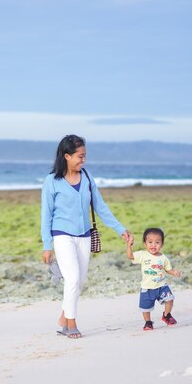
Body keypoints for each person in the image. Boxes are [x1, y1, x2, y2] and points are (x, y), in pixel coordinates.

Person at [41, 134, 131, 339]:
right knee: (72, 278)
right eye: (80, 156)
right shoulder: (51, 181)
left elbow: (100, 207)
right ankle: (70, 325)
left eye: (84, 156)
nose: (83, 160)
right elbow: (46, 215)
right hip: (62, 235)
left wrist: (120, 229)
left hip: (84, 235)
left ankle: (63, 317)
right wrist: (47, 244)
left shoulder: (88, 177)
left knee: (79, 282)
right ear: (66, 156)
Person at [126, 227, 181, 331]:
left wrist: (174, 272)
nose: (153, 245)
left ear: (162, 244)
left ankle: (166, 315)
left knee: (170, 299)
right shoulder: (143, 255)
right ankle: (148, 322)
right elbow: (130, 256)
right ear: (145, 244)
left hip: (162, 286)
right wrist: (129, 245)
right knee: (146, 308)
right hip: (147, 288)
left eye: (157, 242)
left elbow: (168, 269)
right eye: (150, 242)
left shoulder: (163, 258)